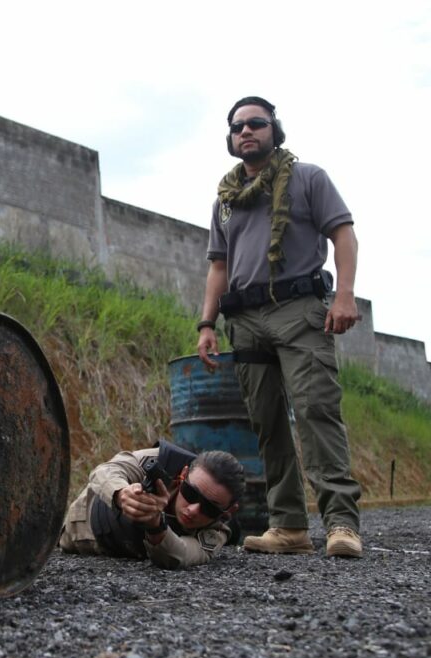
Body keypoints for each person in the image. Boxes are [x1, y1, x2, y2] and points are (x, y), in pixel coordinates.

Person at [197, 95, 363, 558]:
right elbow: (218, 267)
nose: (246, 131)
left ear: (275, 129)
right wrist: (206, 323)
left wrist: (345, 294)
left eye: (256, 123)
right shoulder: (225, 202)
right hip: (245, 319)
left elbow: (344, 234)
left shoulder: (308, 178)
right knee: (267, 424)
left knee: (316, 413)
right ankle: (288, 526)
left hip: (299, 308)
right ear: (230, 139)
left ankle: (341, 524)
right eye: (237, 127)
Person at [58, 441, 245, 569]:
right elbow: (106, 470)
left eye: (210, 508)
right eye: (191, 493)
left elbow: (182, 555)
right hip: (80, 527)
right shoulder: (160, 462)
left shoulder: (217, 533)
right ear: (184, 473)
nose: (193, 510)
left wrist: (156, 527)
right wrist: (122, 494)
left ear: (228, 511)